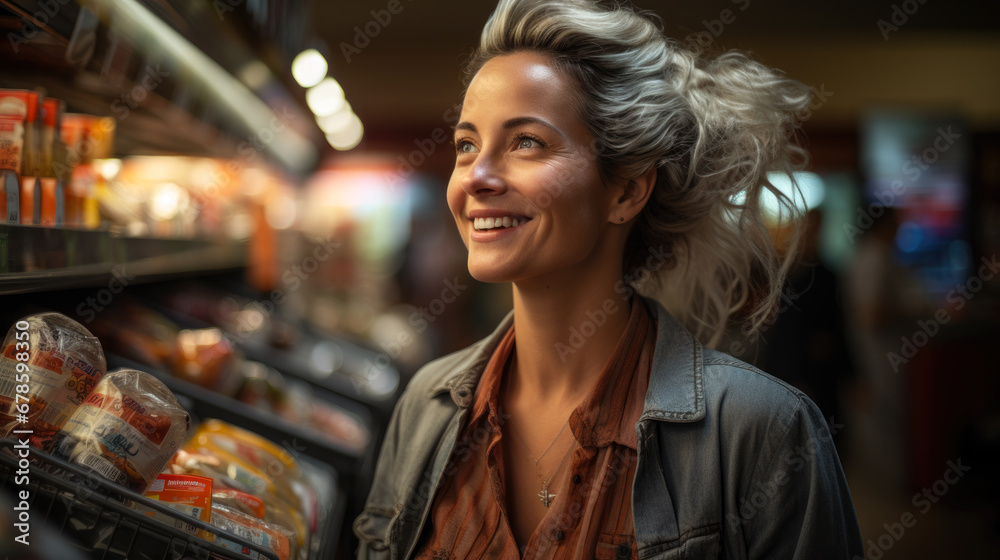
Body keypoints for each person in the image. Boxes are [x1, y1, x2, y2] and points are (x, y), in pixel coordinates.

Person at [353, 0, 862, 558]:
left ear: (625, 190)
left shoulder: (760, 431)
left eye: (526, 142)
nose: (476, 176)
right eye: (467, 145)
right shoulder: (426, 406)